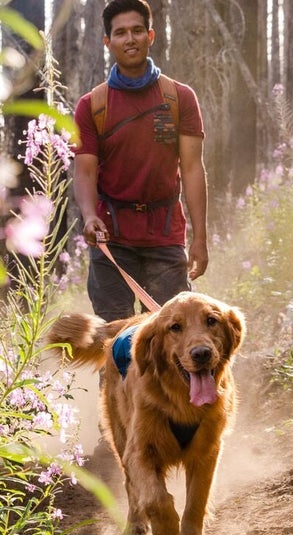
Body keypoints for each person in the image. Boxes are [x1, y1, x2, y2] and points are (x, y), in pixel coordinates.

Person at [72, 0, 208, 322]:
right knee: (116, 341)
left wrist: (200, 238)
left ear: (151, 36)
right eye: (120, 33)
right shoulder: (91, 106)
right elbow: (85, 171)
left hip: (165, 237)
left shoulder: (180, 98)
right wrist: (90, 216)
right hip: (111, 239)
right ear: (108, 42)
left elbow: (192, 169)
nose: (129, 39)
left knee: (171, 340)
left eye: (136, 31)